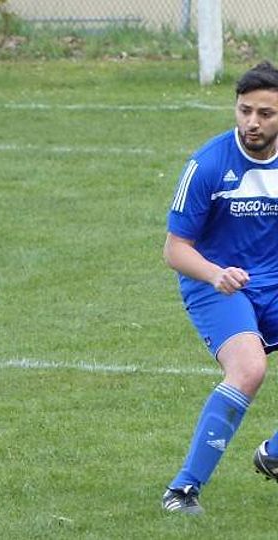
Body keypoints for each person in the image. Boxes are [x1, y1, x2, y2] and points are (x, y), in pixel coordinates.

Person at [161, 60, 278, 515]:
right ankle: (182, 491)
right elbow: (175, 250)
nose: (252, 122)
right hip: (215, 284)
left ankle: (274, 454)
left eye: (265, 113)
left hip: (272, 280)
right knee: (248, 369)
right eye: (245, 111)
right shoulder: (207, 163)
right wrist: (214, 274)